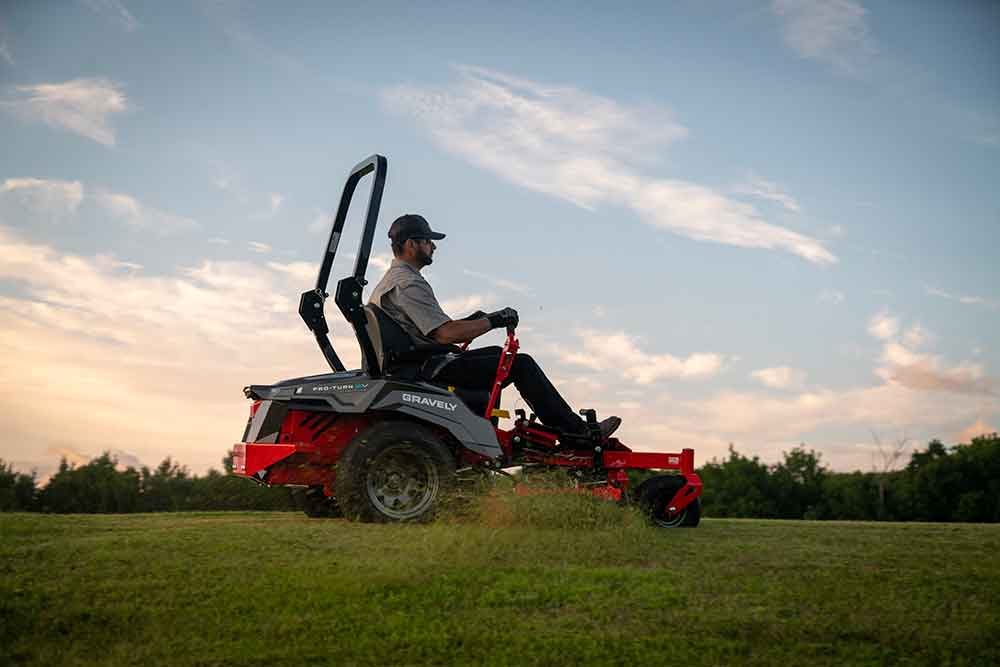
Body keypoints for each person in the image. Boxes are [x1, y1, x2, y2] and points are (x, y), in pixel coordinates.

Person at [367, 213, 621, 440]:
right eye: (427, 241)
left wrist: (476, 320)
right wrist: (494, 320)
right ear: (411, 244)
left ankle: (486, 436)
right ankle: (577, 434)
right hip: (427, 368)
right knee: (520, 364)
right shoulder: (408, 283)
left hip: (418, 362)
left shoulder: (391, 281)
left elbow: (427, 329)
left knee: (493, 357)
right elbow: (445, 333)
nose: (433, 246)